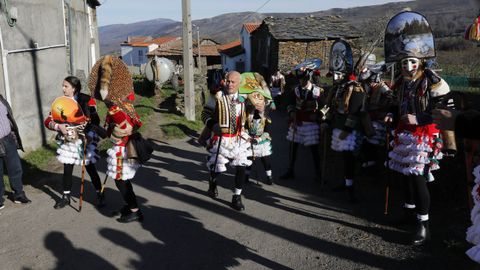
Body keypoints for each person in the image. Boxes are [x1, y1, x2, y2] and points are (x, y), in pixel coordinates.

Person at [384, 11, 452, 245]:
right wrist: (390, 116)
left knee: (418, 179)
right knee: (405, 176)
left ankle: (423, 225)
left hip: (424, 136)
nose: (408, 66)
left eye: (412, 61)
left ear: (421, 61)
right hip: (405, 135)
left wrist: (420, 119)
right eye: (404, 62)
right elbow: (395, 105)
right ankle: (408, 212)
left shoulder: (432, 80)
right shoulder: (402, 83)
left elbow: (445, 110)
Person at [88, 55, 143, 223]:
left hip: (122, 149)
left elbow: (126, 128)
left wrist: (103, 128)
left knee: (121, 181)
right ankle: (130, 206)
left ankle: (135, 210)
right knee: (122, 180)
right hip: (121, 147)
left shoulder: (117, 108)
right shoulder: (124, 105)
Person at [44, 76, 103, 209]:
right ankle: (66, 197)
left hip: (84, 138)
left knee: (90, 167)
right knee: (67, 168)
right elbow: (48, 121)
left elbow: (95, 121)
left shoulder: (87, 100)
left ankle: (100, 193)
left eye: (66, 86)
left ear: (74, 88)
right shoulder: (60, 102)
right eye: (63, 86)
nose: (63, 89)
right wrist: (58, 127)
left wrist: (88, 134)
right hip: (68, 140)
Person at [203, 71, 252, 211]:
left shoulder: (245, 97)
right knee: (217, 168)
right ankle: (213, 184)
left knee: (241, 167)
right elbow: (205, 113)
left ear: (239, 83)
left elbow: (252, 114)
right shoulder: (217, 96)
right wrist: (213, 125)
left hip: (238, 138)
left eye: (233, 82)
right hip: (221, 138)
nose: (229, 84)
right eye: (228, 81)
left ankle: (236, 197)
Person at [280, 67, 324, 182]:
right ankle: (290, 170)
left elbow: (325, 106)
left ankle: (318, 174)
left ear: (308, 78)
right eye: (299, 79)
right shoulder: (296, 90)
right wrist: (291, 112)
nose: (301, 82)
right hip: (298, 122)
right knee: (293, 148)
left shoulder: (318, 91)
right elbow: (289, 104)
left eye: (303, 79)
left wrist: (319, 115)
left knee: (314, 150)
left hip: (311, 123)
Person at [242, 73, 274, 185]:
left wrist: (259, 139)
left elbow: (267, 132)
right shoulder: (248, 115)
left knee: (265, 158)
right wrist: (247, 136)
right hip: (250, 139)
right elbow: (245, 127)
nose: (258, 105)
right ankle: (246, 176)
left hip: (261, 140)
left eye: (261, 103)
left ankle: (269, 177)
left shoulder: (266, 118)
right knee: (249, 158)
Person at [0, 94, 31, 208]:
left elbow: (9, 117)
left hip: (8, 138)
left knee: (15, 168)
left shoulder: (1, 99)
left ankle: (18, 194)